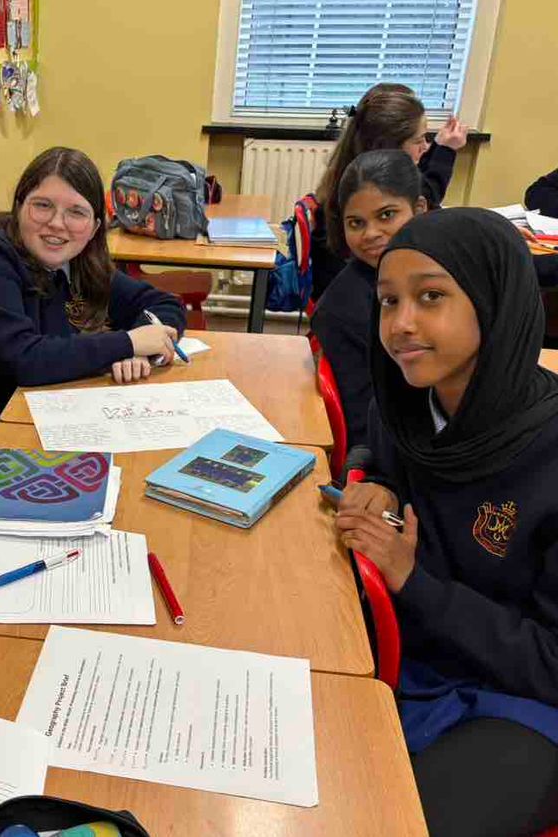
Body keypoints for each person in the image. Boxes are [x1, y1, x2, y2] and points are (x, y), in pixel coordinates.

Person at [335, 208, 558, 836]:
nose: (401, 324)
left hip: (526, 705)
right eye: (388, 301)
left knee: (389, 826)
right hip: (417, 659)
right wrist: (371, 478)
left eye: (430, 297)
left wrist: (413, 582)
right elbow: (377, 451)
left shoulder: (547, 451)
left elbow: (551, 663)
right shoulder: (411, 403)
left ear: (494, 301)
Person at [0, 146, 187, 439]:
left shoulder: (78, 261)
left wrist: (140, 352)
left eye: (76, 212)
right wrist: (128, 343)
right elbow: (24, 359)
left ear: (95, 227)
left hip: (36, 408)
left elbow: (162, 303)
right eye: (43, 205)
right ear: (19, 207)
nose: (57, 223)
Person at [311, 149, 426, 451]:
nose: (371, 234)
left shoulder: (433, 273)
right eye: (356, 223)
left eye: (386, 215)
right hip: (405, 449)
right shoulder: (341, 310)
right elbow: (364, 422)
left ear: (419, 209)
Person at [310, 84, 467, 301]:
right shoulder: (369, 190)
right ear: (391, 147)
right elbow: (427, 192)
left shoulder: (351, 175)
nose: (425, 147)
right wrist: (445, 151)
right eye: (418, 140)